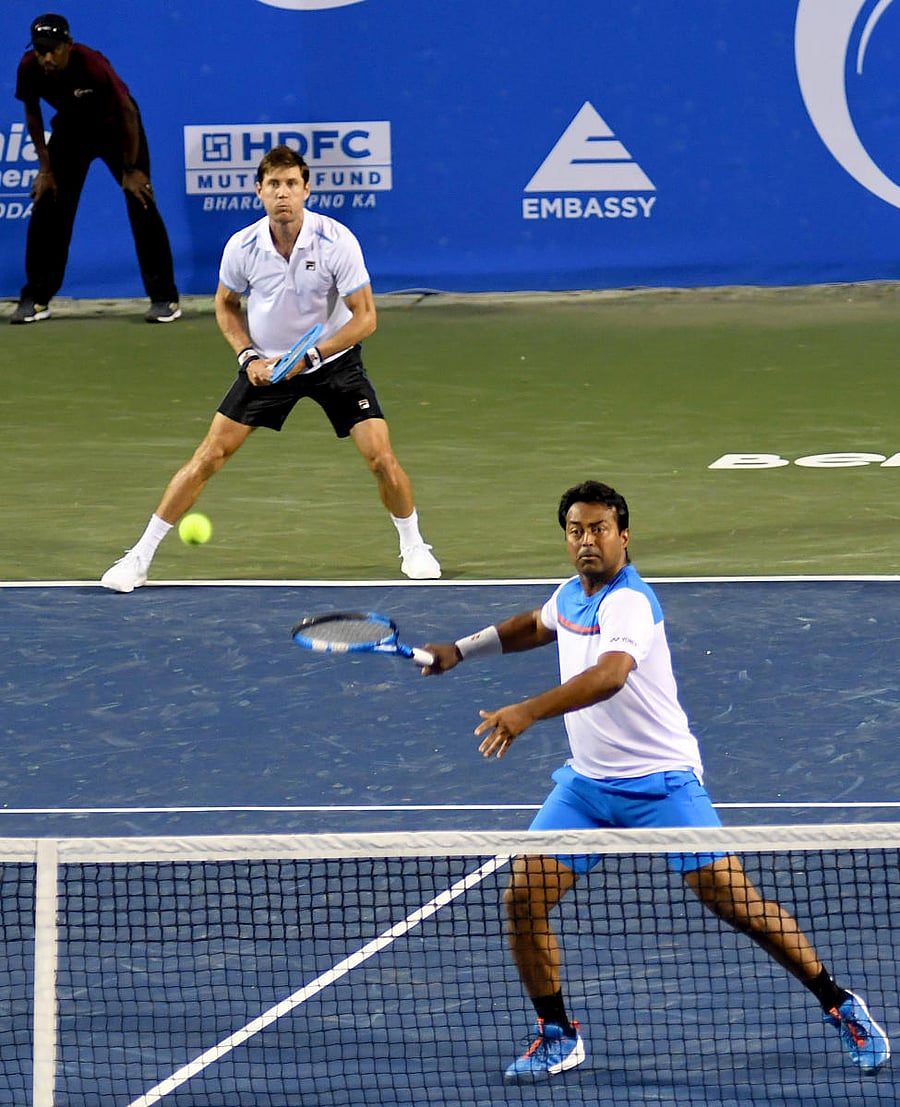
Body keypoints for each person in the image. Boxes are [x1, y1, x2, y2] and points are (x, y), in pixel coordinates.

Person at [422, 480, 889, 1083]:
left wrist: (528, 710)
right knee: (522, 900)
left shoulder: (630, 603)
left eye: (599, 529)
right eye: (575, 530)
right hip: (586, 788)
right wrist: (461, 650)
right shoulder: (571, 594)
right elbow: (536, 626)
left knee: (735, 902)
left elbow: (611, 676)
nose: (587, 540)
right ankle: (557, 1033)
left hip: (663, 786)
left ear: (623, 535)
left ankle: (839, 1003)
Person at [100, 144, 440, 590]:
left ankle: (414, 546)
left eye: (292, 184)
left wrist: (312, 356)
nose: (283, 194)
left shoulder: (337, 241)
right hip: (266, 365)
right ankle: (139, 557)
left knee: (380, 457)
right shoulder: (243, 246)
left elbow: (366, 318)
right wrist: (248, 357)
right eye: (274, 185)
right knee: (209, 455)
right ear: (259, 191)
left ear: (306, 189)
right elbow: (225, 305)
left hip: (332, 362)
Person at [11, 13, 180, 324]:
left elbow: (128, 111)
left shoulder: (91, 63)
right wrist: (45, 169)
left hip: (118, 129)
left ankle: (164, 298)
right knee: (48, 203)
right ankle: (36, 297)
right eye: (40, 50)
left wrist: (131, 169)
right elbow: (32, 115)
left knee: (141, 200)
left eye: (52, 49)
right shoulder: (29, 68)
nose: (46, 57)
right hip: (73, 129)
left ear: (68, 45)